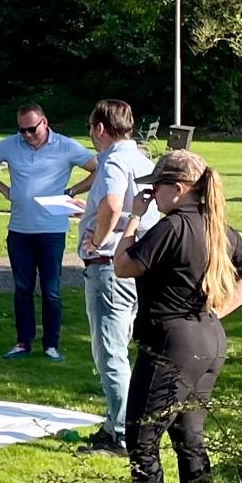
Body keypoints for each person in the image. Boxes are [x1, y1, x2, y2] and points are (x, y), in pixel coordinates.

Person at [111, 150, 242, 483]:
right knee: (188, 436)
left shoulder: (172, 226)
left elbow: (123, 266)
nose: (150, 195)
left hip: (171, 345)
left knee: (142, 438)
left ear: (177, 189)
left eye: (155, 188)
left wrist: (132, 218)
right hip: (209, 340)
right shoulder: (217, 226)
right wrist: (215, 313)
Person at [0, 102, 95, 360]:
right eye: (22, 130)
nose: (26, 135)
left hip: (51, 230)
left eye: (31, 129)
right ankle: (22, 342)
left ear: (44, 123)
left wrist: (72, 191)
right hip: (19, 230)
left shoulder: (66, 146)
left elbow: (98, 168)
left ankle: (51, 345)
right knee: (22, 289)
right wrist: (4, 189)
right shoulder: (11, 144)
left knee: (51, 291)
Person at [75, 99, 156, 457]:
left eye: (92, 129)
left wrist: (97, 238)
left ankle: (122, 434)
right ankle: (118, 422)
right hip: (141, 263)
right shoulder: (143, 158)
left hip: (110, 263)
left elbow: (110, 203)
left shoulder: (113, 159)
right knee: (124, 349)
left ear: (101, 129)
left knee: (110, 352)